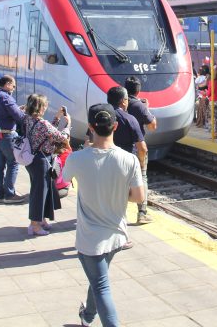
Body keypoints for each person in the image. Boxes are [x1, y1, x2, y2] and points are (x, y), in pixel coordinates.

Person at [62, 104, 145, 327]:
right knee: (98, 279)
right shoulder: (130, 160)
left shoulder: (77, 159)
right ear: (115, 126)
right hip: (117, 236)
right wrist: (117, 192)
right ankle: (87, 316)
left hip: (90, 240)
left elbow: (63, 181)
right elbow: (138, 197)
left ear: (90, 127)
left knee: (101, 285)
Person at [23, 94, 70, 236]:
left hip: (32, 160)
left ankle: (41, 219)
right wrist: (68, 125)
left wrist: (57, 117)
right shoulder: (42, 124)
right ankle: (35, 225)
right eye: (45, 106)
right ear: (41, 107)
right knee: (40, 192)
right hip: (41, 160)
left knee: (41, 190)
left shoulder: (28, 119)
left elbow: (48, 130)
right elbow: (61, 137)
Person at [107, 86, 150, 225]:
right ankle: (142, 213)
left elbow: (89, 140)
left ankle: (109, 216)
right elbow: (142, 147)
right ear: (123, 101)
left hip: (105, 160)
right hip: (126, 161)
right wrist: (141, 162)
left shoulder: (102, 115)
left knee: (112, 190)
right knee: (142, 177)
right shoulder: (129, 119)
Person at [0, 74, 26, 203]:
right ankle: (9, 195)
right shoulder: (6, 97)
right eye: (13, 86)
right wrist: (22, 112)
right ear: (8, 84)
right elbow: (19, 117)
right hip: (6, 135)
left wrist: (15, 109)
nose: (13, 89)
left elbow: (0, 113)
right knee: (13, 163)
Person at [124, 76, 157, 225]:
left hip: (119, 148)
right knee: (142, 177)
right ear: (138, 90)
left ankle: (118, 212)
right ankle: (142, 213)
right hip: (137, 148)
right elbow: (152, 126)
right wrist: (147, 108)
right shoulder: (139, 106)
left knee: (120, 180)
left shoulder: (118, 103)